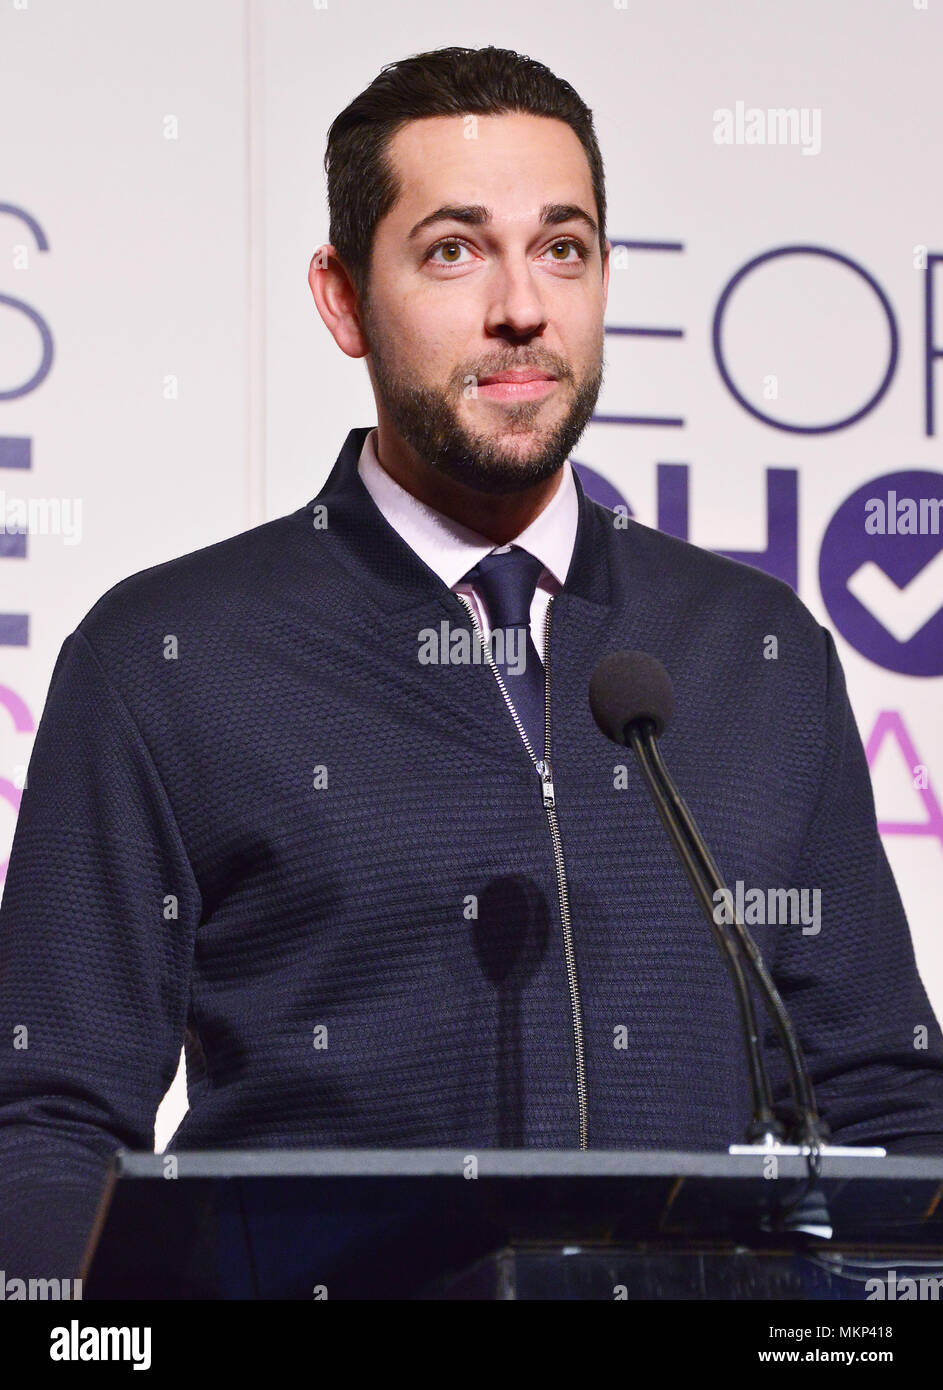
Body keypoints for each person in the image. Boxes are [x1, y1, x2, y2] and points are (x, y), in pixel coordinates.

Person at [2, 44, 942, 1281]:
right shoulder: (166, 658)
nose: (522, 306)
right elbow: (49, 1127)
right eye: (453, 249)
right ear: (342, 298)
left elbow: (882, 1104)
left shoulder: (755, 652)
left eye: (564, 248)